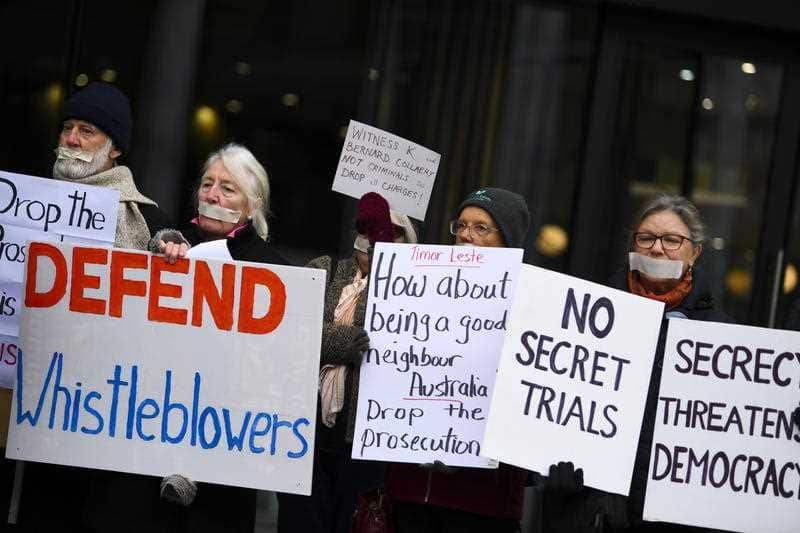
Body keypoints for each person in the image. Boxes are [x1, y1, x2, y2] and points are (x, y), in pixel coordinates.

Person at [540, 194, 733, 533]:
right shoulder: (584, 319)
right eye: (646, 238)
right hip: (592, 509)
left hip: (675, 515)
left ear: (695, 252)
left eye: (672, 240)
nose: (657, 249)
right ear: (633, 247)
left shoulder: (722, 338)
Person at [384, 187, 531, 533]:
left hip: (481, 502)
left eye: (482, 228)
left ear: (508, 241)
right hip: (410, 489)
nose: (466, 235)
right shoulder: (418, 287)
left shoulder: (529, 301)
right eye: (461, 225)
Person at [276, 191, 418, 533]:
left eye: (388, 230)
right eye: (368, 226)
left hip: (363, 452)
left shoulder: (410, 293)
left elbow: (383, 335)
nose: (373, 235)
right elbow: (291, 331)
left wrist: (388, 254)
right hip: (303, 440)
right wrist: (345, 343)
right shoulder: (322, 270)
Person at [53, 82, 170, 249]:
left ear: (114, 149)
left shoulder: (151, 221)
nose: (71, 140)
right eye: (67, 128)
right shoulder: (29, 198)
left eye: (86, 131)